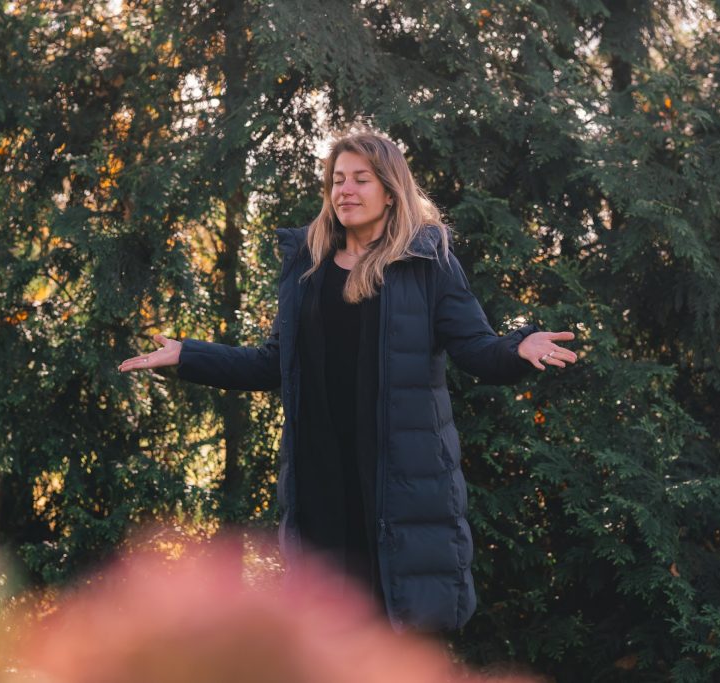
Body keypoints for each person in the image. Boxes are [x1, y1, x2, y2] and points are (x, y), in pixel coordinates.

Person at [118, 130, 578, 634]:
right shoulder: (306, 267)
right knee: (325, 640)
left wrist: (518, 346)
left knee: (395, 633)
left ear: (390, 189)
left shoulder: (427, 263)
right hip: (319, 485)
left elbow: (476, 349)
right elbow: (273, 364)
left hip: (396, 485)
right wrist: (189, 354)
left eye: (361, 179)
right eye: (337, 180)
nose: (346, 191)